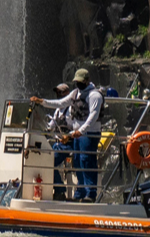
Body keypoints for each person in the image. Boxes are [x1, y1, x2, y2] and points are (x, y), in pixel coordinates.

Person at [31, 69, 105, 202]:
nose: (78, 84)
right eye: (76, 82)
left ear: (87, 81)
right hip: (76, 134)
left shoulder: (95, 96)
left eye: (80, 82)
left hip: (89, 134)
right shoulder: (76, 93)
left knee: (87, 161)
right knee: (77, 161)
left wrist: (80, 131)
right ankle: (80, 193)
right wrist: (42, 102)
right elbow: (60, 103)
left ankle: (91, 194)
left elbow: (93, 117)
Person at [46, 83, 71, 201]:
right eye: (57, 93)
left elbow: (75, 127)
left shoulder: (70, 109)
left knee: (49, 162)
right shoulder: (57, 110)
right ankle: (54, 189)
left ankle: (60, 191)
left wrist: (68, 136)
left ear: (67, 94)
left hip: (68, 144)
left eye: (60, 92)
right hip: (57, 143)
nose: (58, 95)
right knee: (45, 159)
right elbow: (50, 126)